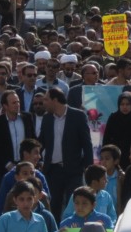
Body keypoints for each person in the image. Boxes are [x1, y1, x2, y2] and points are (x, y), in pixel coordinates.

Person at [39, 87, 94, 221]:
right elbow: (41, 143)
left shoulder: (78, 116)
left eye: (46, 99)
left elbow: (87, 144)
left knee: (73, 205)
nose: (43, 102)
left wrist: (88, 168)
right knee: (53, 205)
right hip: (52, 171)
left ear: (55, 100)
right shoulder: (47, 118)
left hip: (73, 170)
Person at [102, 92, 131, 170]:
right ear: (119, 105)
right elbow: (106, 138)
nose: (125, 107)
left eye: (127, 104)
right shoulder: (113, 118)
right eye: (122, 104)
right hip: (114, 156)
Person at [99, 144, 124, 214]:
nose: (103, 162)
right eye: (101, 159)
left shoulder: (121, 177)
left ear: (116, 161)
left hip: (115, 216)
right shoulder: (98, 177)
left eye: (107, 159)